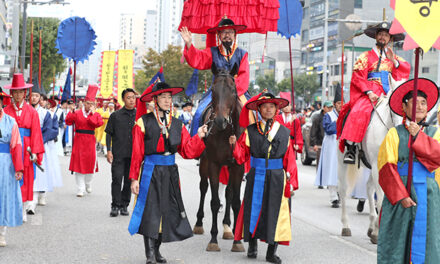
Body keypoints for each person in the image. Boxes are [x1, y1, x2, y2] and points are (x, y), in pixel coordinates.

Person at [128, 82, 207, 264]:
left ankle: (157, 251)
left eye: (169, 97)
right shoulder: (143, 122)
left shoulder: (178, 123)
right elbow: (137, 153)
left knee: (166, 211)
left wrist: (199, 136)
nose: (167, 100)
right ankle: (149, 253)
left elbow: (187, 150)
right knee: (150, 211)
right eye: (163, 97)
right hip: (150, 171)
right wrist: (134, 179)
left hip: (171, 172)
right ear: (154, 100)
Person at [230, 92, 298, 264]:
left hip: (277, 177)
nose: (268, 110)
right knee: (253, 210)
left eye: (271, 107)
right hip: (256, 175)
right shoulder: (250, 131)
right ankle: (252, 245)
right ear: (259, 109)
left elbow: (289, 159)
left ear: (276, 109)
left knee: (275, 212)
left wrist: (292, 181)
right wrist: (233, 144)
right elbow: (241, 156)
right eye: (265, 107)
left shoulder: (284, 132)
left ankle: (271, 251)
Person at [377, 78, 440, 263]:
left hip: (428, 194)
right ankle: (351, 146)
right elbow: (386, 166)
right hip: (402, 193)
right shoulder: (394, 133)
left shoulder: (435, 132)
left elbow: (437, 156)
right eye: (415, 103)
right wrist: (400, 195)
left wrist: (417, 136)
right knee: (397, 241)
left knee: (429, 240)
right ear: (404, 108)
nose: (420, 107)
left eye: (423, 103)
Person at [339, 22, 410, 164]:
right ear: (376, 36)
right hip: (370, 91)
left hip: (389, 91)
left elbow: (405, 71)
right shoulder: (365, 56)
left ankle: (406, 147)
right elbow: (358, 76)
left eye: (386, 35)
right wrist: (369, 92)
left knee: (405, 112)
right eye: (381, 34)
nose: (383, 37)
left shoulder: (394, 58)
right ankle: (351, 148)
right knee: (358, 111)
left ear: (390, 39)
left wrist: (394, 62)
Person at [180, 17, 250, 136]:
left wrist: (231, 90)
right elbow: (198, 59)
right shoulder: (212, 52)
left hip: (238, 91)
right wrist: (188, 43)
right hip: (216, 91)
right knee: (198, 113)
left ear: (235, 34)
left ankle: (252, 148)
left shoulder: (242, 54)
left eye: (230, 32)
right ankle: (195, 145)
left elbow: (244, 76)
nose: (227, 35)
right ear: (219, 34)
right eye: (224, 32)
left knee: (254, 113)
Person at [4, 73, 44, 222]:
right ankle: (10, 208)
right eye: (15, 91)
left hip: (26, 149)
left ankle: (22, 209)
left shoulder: (32, 112)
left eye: (21, 91)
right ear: (11, 93)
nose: (18, 95)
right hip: (10, 149)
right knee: (9, 177)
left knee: (26, 179)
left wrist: (35, 152)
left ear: (25, 93)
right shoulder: (5, 111)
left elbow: (36, 134)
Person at [65, 84, 103, 197]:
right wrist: (71, 112)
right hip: (79, 140)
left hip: (90, 141)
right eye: (87, 103)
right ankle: (80, 188)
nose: (89, 105)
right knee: (79, 165)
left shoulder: (96, 114)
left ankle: (88, 182)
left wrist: (91, 114)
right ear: (83, 103)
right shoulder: (77, 112)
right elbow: (68, 121)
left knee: (90, 164)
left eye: (91, 104)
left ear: (94, 104)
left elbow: (96, 124)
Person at [27, 82, 58, 214]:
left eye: (36, 96)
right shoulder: (25, 111)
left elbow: (49, 130)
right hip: (25, 145)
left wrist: (38, 142)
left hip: (40, 146)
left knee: (38, 174)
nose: (34, 98)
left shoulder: (46, 114)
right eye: (32, 95)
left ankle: (33, 202)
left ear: (40, 98)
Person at [105, 88, 136, 217]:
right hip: (118, 153)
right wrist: (108, 150)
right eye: (129, 97)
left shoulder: (139, 116)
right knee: (117, 179)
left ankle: (124, 205)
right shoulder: (115, 116)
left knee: (129, 181)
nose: (131, 100)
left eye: (133, 97)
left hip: (133, 155)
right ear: (124, 99)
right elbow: (109, 134)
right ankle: (115, 205)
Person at [0, 90, 24, 247]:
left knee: (4, 197)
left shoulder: (11, 122)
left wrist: (19, 168)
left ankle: (2, 233)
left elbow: (16, 146)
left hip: (5, 164)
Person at [315, 90, 342, 208]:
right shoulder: (328, 116)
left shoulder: (345, 114)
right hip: (331, 144)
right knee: (331, 169)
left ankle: (339, 192)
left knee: (341, 170)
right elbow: (328, 130)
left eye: (343, 103)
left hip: (342, 143)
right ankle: (333, 196)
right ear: (335, 104)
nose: (341, 105)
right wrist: (338, 121)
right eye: (339, 103)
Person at [310, 101, 333, 175]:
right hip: (320, 143)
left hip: (330, 143)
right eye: (328, 107)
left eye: (331, 107)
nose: (330, 109)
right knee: (320, 162)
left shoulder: (332, 117)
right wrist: (314, 144)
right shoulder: (317, 118)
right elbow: (313, 132)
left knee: (329, 163)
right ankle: (320, 180)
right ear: (324, 108)